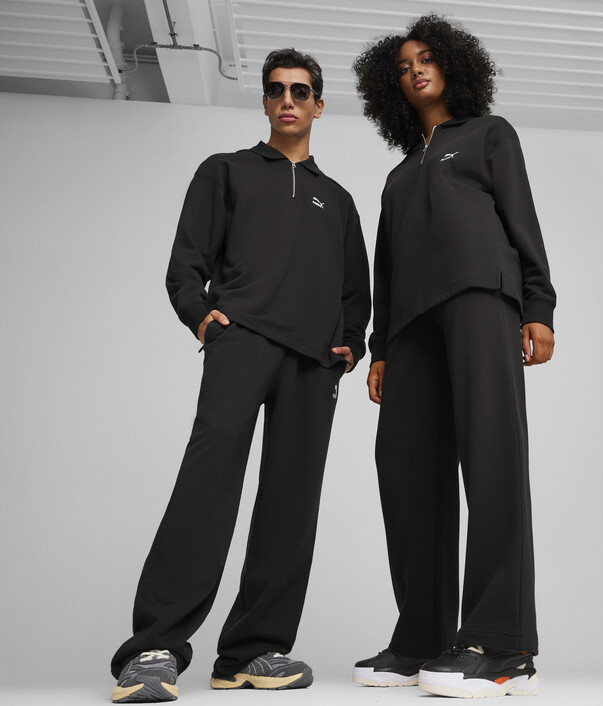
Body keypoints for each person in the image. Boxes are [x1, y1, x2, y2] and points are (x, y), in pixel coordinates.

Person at [109, 48, 370, 703]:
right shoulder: (224, 171)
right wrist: (202, 318)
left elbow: (355, 289)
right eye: (276, 90)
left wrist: (349, 345)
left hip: (313, 363)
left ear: (318, 105)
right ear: (264, 101)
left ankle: (252, 651)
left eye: (300, 91)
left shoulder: (338, 201)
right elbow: (186, 262)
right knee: (208, 487)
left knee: (291, 503)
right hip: (243, 341)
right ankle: (154, 648)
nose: (288, 100)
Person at [351, 14, 555, 699]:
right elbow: (386, 267)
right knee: (405, 470)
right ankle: (423, 637)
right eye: (403, 65)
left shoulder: (489, 135)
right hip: (410, 326)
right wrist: (381, 347)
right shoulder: (399, 175)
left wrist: (537, 306)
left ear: (453, 65)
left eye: (426, 58)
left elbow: (522, 222)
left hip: (479, 297)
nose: (415, 70)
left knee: (491, 457)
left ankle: (503, 645)